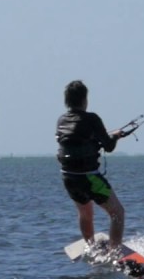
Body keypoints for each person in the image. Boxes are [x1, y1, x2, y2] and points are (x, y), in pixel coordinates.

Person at [56, 79, 132, 257]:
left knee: (84, 211)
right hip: (88, 177)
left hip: (68, 177)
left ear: (67, 100)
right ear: (84, 99)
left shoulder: (61, 120)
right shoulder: (92, 119)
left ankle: (91, 247)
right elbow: (109, 147)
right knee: (117, 213)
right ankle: (114, 254)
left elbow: (77, 142)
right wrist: (116, 137)